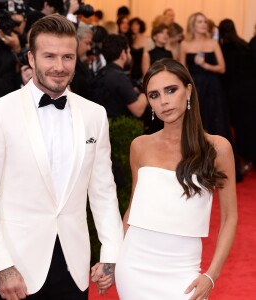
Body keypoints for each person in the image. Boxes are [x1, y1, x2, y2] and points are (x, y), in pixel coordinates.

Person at [0, 14, 123, 300]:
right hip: (15, 269)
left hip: (74, 268)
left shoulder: (94, 115)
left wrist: (111, 252)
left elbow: (103, 191)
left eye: (68, 57)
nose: (59, 67)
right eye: (49, 56)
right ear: (31, 57)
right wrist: (2, 266)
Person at [108, 58, 237, 299]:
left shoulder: (217, 148)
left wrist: (211, 275)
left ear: (188, 91)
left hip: (183, 271)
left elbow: (230, 218)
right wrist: (113, 258)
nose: (164, 101)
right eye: (154, 95)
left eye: (171, 90)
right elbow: (132, 209)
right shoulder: (140, 146)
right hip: (134, 266)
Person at [219, 18, 256, 172]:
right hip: (251, 89)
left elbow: (225, 73)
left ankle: (245, 157)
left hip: (235, 91)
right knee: (251, 124)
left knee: (240, 127)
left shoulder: (224, 48)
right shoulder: (245, 43)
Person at [91, 34, 147, 119]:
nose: (130, 55)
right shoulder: (119, 77)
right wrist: (146, 89)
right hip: (118, 129)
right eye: (128, 51)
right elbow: (138, 110)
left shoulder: (101, 73)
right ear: (123, 54)